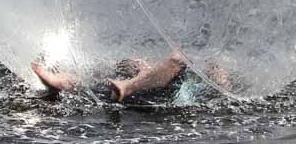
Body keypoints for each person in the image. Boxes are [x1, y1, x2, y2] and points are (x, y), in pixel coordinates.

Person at [30, 51, 224, 104]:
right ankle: (60, 81)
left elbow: (222, 86)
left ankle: (127, 86)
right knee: (126, 64)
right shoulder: (199, 76)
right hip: (133, 88)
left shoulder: (192, 82)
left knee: (178, 60)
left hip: (165, 96)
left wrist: (217, 74)